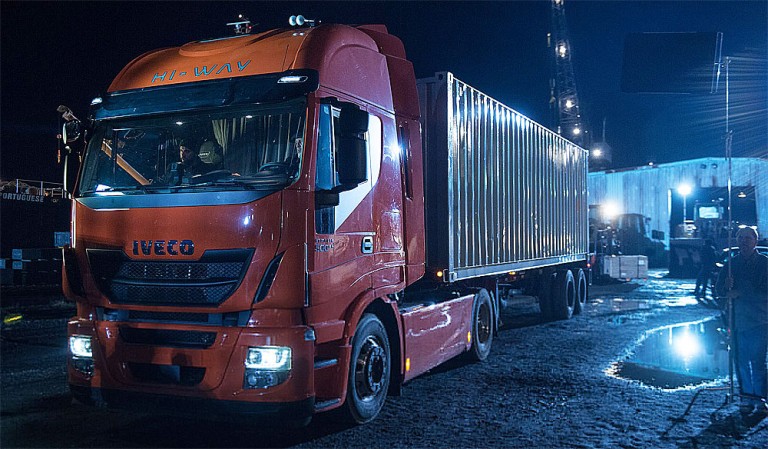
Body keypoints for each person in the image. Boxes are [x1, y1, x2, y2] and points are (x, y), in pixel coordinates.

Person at [716, 227, 768, 417]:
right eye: (740, 238)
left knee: (758, 362)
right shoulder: (731, 264)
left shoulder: (765, 263)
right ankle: (746, 397)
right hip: (737, 322)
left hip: (759, 321)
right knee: (741, 362)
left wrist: (741, 292)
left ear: (755, 241)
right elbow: (719, 291)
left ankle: (760, 399)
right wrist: (725, 287)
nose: (744, 241)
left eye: (748, 238)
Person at [694, 239, 718, 303]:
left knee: (701, 279)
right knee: (707, 280)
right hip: (709, 266)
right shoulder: (712, 249)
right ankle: (704, 292)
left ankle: (698, 290)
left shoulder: (704, 248)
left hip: (705, 266)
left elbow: (702, 257)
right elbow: (714, 258)